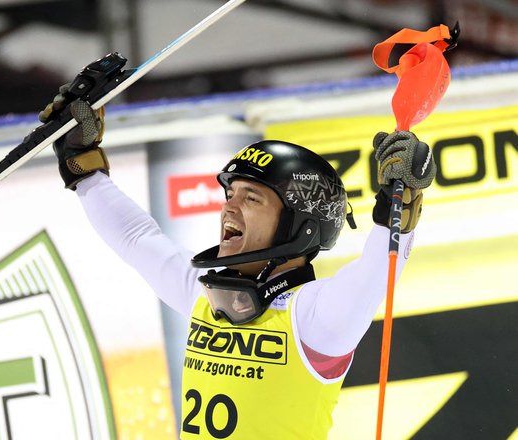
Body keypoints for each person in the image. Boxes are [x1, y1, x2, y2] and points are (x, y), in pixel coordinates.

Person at [39, 89, 435, 439]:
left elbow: (375, 273)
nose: (228, 206)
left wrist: (399, 203)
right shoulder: (208, 294)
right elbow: (137, 238)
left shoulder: (316, 317)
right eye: (230, 193)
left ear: (298, 226)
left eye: (251, 198)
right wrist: (83, 166)